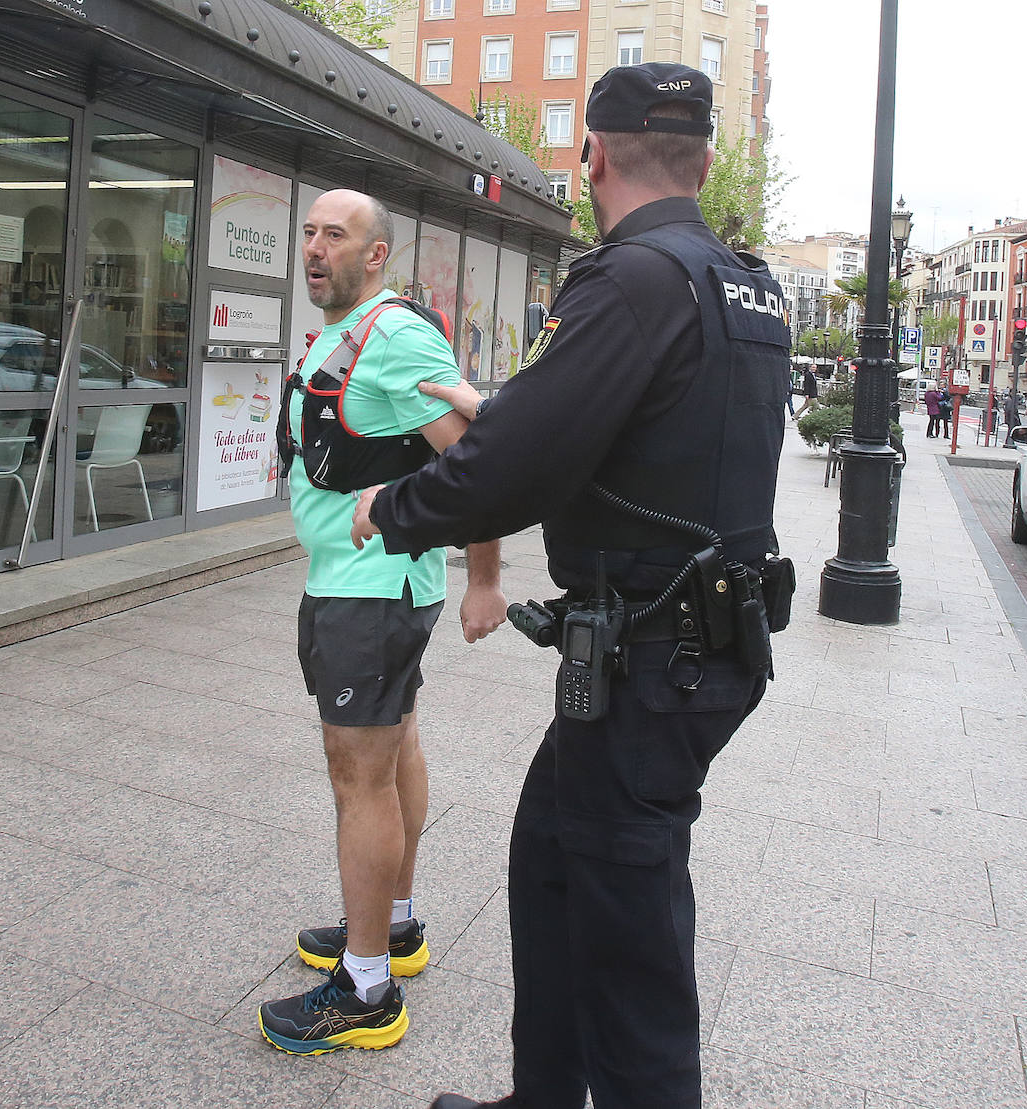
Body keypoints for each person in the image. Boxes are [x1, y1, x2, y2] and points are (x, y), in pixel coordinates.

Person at [350, 61, 788, 1108]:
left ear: (589, 154)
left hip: (650, 658)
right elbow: (631, 428)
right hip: (694, 647)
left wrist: (396, 510)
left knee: (630, 930)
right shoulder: (742, 280)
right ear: (709, 160)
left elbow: (521, 461)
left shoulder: (630, 279)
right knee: (552, 859)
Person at [257, 188, 507, 1056]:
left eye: (338, 235)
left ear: (376, 255)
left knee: (355, 772)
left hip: (374, 585)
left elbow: (480, 452)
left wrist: (486, 579)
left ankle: (367, 990)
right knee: (393, 747)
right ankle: (394, 927)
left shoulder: (395, 336)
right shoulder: (343, 329)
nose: (316, 248)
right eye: (311, 232)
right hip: (354, 579)